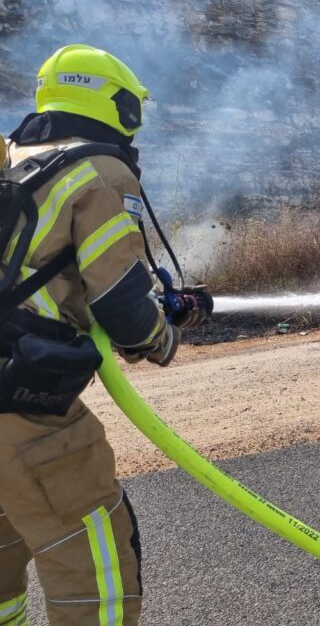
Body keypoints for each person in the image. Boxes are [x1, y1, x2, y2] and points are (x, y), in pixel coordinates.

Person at [0, 45, 180, 626]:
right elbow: (125, 310)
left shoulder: (10, 158)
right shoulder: (98, 171)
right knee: (95, 558)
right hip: (18, 406)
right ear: (115, 104)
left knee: (5, 538)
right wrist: (163, 336)